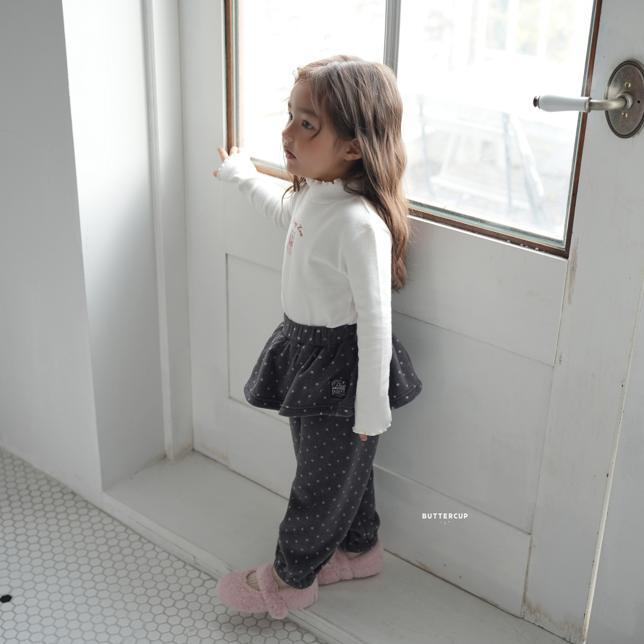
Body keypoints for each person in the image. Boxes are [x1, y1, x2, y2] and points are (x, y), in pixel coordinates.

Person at [212, 54, 423, 620]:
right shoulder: (316, 195)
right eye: (290, 116)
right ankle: (359, 548)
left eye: (307, 124)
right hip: (305, 354)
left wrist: (371, 407)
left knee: (318, 483)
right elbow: (285, 216)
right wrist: (242, 176)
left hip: (342, 373)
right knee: (333, 470)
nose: (288, 133)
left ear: (353, 146)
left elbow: (376, 321)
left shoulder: (359, 224)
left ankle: (290, 578)